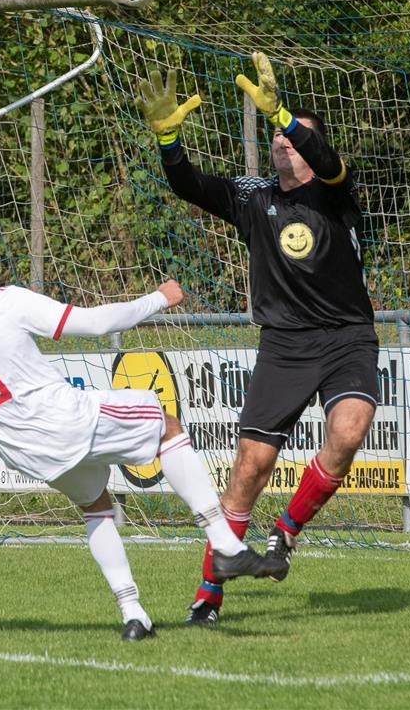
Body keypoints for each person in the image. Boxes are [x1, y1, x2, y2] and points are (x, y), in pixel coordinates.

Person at [0, 224, 279, 642]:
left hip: (27, 452)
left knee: (96, 507)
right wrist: (159, 298)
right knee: (164, 424)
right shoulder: (4, 302)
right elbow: (93, 323)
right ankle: (224, 544)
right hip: (64, 419)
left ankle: (134, 614)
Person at [137, 53, 379, 625]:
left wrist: (289, 115)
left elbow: (327, 158)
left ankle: (286, 533)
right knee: (250, 465)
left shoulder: (335, 192)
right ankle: (207, 597)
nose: (282, 143)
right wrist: (169, 138)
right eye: (276, 136)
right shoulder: (252, 196)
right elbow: (187, 184)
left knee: (348, 433)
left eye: (291, 138)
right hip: (284, 346)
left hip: (347, 338)